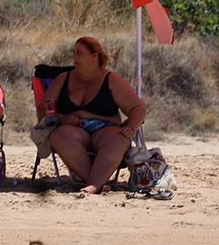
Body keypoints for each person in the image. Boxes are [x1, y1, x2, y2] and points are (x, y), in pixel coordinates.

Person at [42, 35, 145, 195]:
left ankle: (93, 184)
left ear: (94, 56)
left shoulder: (110, 80)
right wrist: (63, 118)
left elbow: (138, 108)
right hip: (73, 129)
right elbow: (44, 109)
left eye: (79, 53)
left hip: (105, 130)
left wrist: (131, 127)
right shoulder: (63, 79)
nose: (74, 58)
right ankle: (95, 182)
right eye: (73, 53)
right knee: (59, 136)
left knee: (119, 139)